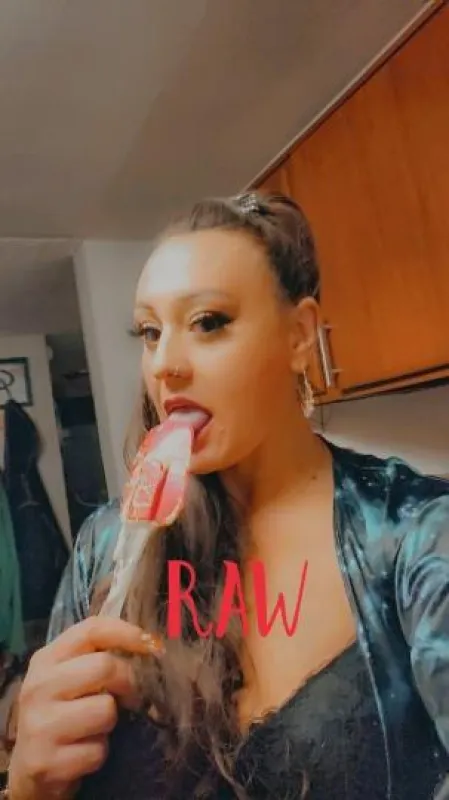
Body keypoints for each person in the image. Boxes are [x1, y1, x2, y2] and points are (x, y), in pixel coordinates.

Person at [6, 192, 449, 800]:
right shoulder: (103, 548)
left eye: (208, 322)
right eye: (150, 332)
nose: (165, 365)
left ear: (300, 336)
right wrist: (27, 785)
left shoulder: (417, 535)